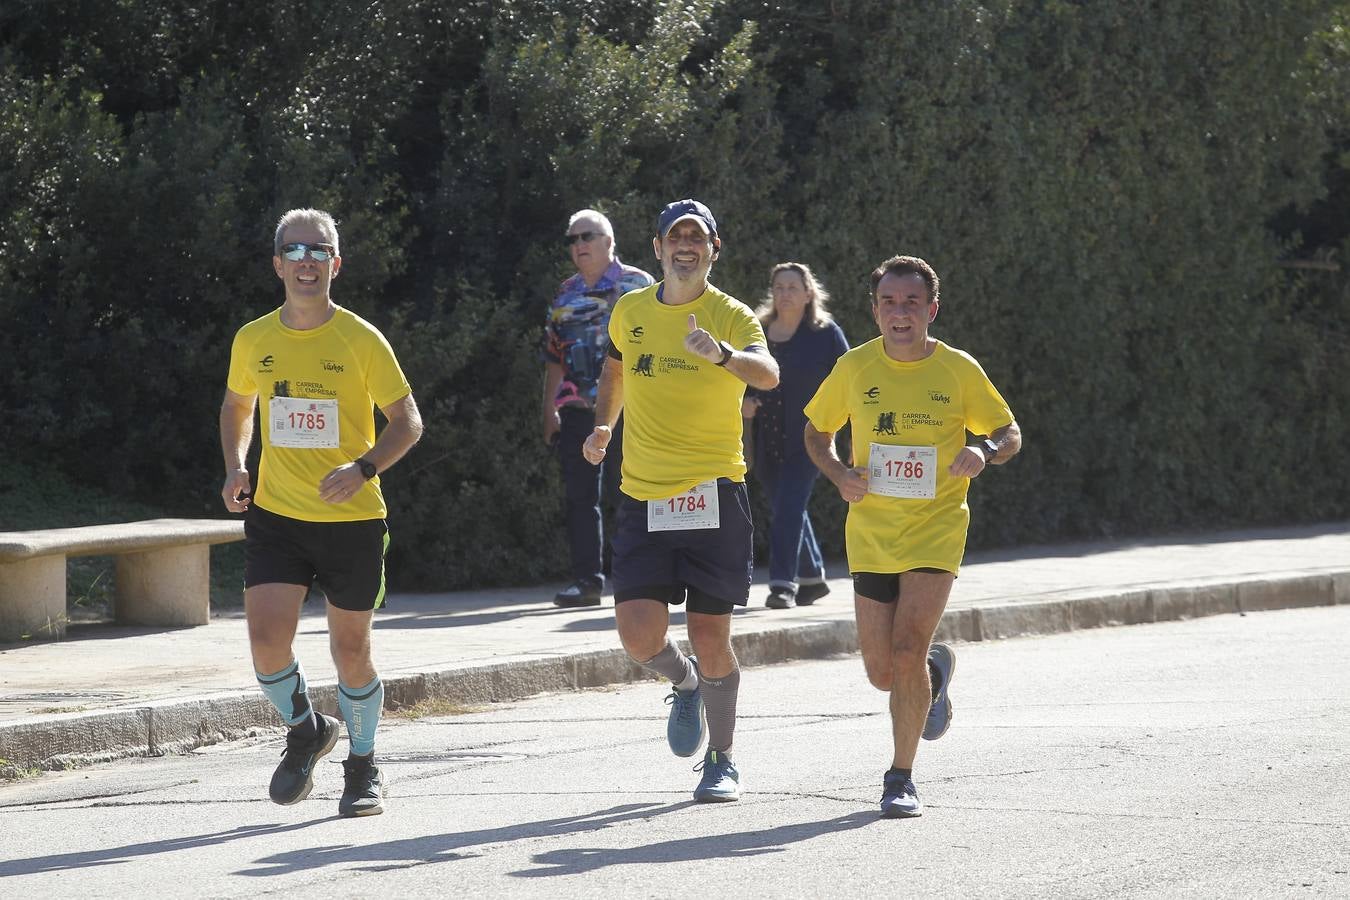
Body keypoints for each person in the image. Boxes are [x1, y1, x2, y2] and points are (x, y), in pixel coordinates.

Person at [220, 208, 424, 818]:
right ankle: (307, 729)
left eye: (318, 251)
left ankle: (362, 767)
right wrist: (236, 465)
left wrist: (363, 468)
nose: (306, 261)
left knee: (351, 652)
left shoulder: (361, 339)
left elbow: (408, 422)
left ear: (335, 264)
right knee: (265, 644)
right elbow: (237, 405)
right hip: (277, 517)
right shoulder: (254, 338)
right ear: (277, 264)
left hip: (352, 521)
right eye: (294, 250)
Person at [802, 255, 1020, 818]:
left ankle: (900, 777)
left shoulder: (958, 369)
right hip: (871, 532)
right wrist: (839, 474)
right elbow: (816, 432)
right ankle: (934, 675)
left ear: (932, 310)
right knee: (883, 673)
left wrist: (984, 450)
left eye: (912, 303)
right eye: (889, 303)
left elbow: (1008, 431)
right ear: (875, 311)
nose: (900, 313)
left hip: (936, 527)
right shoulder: (854, 367)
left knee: (906, 651)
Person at [582, 199, 778, 802]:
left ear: (713, 250)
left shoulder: (731, 314)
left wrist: (723, 355)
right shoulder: (631, 311)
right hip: (644, 496)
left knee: (711, 636)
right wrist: (603, 425)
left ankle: (722, 760)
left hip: (714, 493)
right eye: (676, 237)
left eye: (697, 237)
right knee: (638, 637)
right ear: (659, 248)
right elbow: (615, 372)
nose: (685, 246)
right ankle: (685, 683)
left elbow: (768, 373)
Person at [542, 209, 655, 608]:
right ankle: (587, 582)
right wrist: (548, 410)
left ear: (609, 241)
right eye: (572, 240)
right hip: (577, 410)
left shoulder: (639, 286)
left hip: (632, 409)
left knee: (635, 493)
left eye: (586, 236)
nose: (579, 245)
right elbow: (553, 357)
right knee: (580, 497)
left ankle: (639, 578)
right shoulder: (565, 293)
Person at [743, 263, 849, 609]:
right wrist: (744, 402)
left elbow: (851, 383)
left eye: (792, 287)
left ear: (808, 293)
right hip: (765, 441)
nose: (784, 293)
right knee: (788, 509)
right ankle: (812, 579)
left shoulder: (826, 334)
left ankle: (781, 585)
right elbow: (739, 375)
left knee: (787, 511)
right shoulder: (757, 331)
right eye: (779, 287)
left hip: (810, 441)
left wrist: (852, 439)